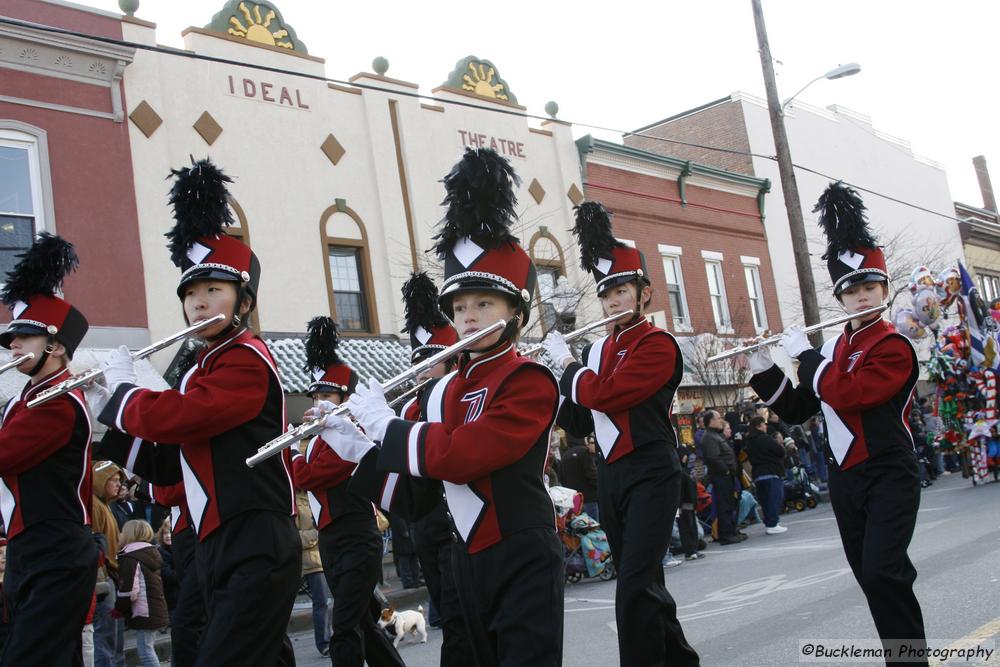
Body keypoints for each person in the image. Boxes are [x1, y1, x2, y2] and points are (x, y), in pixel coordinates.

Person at [339, 148, 565, 666]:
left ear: (515, 314)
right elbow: (419, 495)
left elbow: (464, 455)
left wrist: (388, 426)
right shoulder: (440, 391)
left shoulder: (529, 380)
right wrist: (357, 446)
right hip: (463, 556)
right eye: (460, 307)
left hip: (521, 550)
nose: (468, 317)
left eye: (484, 304)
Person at [92, 158, 299, 666]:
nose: (199, 304)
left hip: (256, 537)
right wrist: (105, 416)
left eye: (213, 291)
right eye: (190, 294)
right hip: (218, 543)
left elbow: (185, 417)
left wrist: (122, 396)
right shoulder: (201, 366)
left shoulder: (246, 358)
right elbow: (170, 465)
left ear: (243, 302)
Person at [747, 182, 926, 664]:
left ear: (884, 290)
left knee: (886, 571)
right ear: (840, 299)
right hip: (846, 477)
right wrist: (762, 364)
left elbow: (850, 393)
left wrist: (804, 356)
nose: (862, 297)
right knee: (871, 578)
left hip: (889, 471)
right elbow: (800, 407)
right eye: (852, 291)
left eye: (870, 288)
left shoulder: (894, 345)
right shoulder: (830, 349)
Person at [546, 201, 699, 666]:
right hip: (612, 474)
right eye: (607, 293)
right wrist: (557, 366)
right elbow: (578, 419)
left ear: (645, 293)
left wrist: (569, 365)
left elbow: (608, 395)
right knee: (645, 583)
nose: (613, 301)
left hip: (652, 471)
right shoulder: (595, 350)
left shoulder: (658, 344)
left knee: (633, 585)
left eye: (622, 290)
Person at [0, 233, 98, 666]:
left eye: (24, 337)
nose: (13, 345)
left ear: (55, 347)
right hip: (31, 548)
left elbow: (4, 454)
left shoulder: (58, 401)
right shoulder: (25, 398)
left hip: (56, 548)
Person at [290, 316, 404, 667]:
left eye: (326, 395)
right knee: (362, 625)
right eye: (316, 395)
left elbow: (310, 476)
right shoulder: (314, 441)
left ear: (343, 398)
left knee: (344, 625)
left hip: (357, 536)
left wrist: (292, 451)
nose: (318, 402)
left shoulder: (348, 434)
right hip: (330, 539)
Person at [116, 520, 169, 667]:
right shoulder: (151, 553)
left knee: (145, 652)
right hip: (155, 608)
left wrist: (118, 609)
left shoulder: (131, 558)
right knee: (148, 647)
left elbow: (129, 591)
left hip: (144, 611)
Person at [91, 460, 125, 667]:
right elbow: (95, 545)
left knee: (115, 641)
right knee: (105, 641)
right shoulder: (95, 506)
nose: (118, 485)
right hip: (104, 578)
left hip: (112, 576)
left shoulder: (105, 506)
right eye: (113, 480)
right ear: (100, 481)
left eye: (119, 481)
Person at [296, 489, 331, 657]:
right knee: (321, 602)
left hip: (323, 556)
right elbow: (294, 537)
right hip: (306, 561)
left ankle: (329, 640)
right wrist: (315, 535)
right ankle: (324, 642)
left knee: (325, 601)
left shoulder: (313, 495)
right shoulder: (293, 501)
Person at [700, 410, 743, 545]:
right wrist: (726, 471)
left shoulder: (715, 436)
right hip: (721, 476)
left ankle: (731, 531)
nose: (721, 420)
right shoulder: (709, 437)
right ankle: (726, 535)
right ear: (711, 421)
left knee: (729, 505)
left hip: (726, 476)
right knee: (724, 506)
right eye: (718, 418)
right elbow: (713, 458)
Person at [745, 416, 787, 534]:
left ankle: (770, 523)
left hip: (758, 474)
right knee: (775, 498)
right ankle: (773, 523)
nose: (766, 426)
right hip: (771, 472)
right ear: (758, 426)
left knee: (765, 500)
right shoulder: (765, 438)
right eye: (764, 424)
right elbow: (780, 451)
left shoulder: (750, 441)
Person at [560, 434, 600, 523]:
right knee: (593, 530)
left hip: (573, 501)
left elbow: (562, 478)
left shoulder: (565, 455)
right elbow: (592, 475)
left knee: (579, 530)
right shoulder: (584, 452)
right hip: (588, 498)